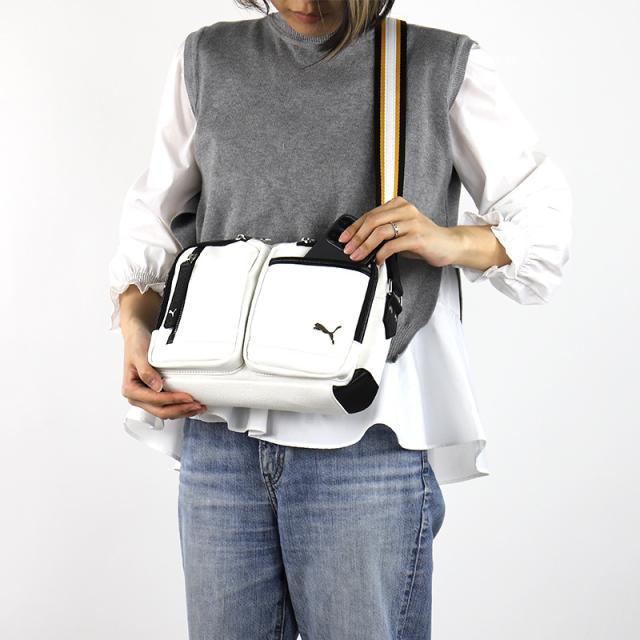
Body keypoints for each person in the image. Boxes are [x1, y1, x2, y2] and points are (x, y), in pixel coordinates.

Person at [108, 1, 572, 638]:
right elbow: (154, 224)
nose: (302, 3)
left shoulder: (435, 64)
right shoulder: (209, 58)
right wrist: (136, 328)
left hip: (364, 438)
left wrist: (448, 240)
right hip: (219, 429)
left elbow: (544, 222)